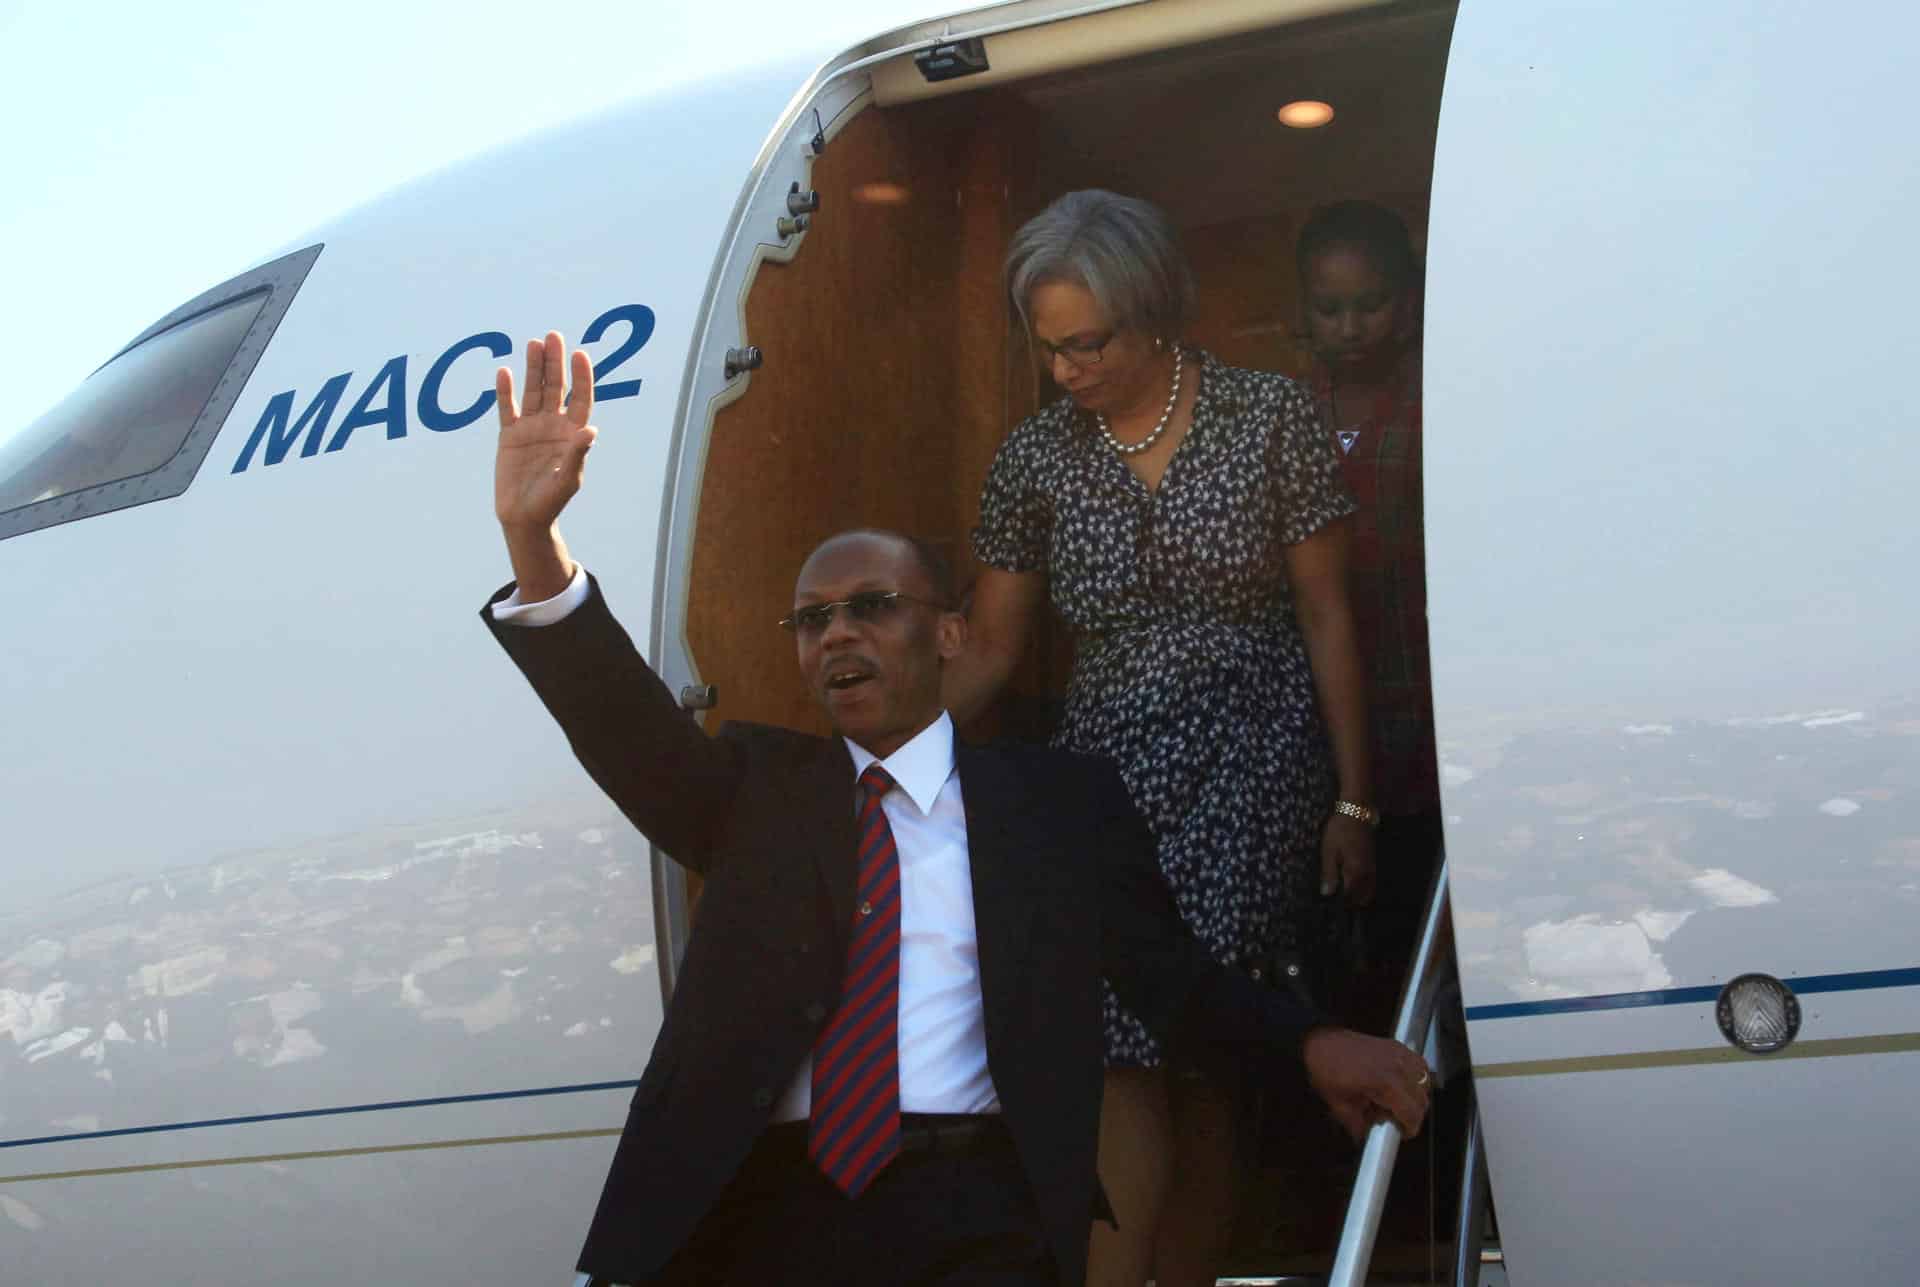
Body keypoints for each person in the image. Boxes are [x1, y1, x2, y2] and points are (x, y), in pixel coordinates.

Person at [483, 332, 1428, 1287]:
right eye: (812, 618)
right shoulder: (754, 794)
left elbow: (1174, 984)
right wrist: (535, 544)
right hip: (766, 1212)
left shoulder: (1058, 805)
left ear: (949, 632)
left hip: (977, 1205)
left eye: (871, 605)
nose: (837, 631)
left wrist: (1312, 1040)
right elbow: (624, 726)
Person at [946, 190, 1378, 1286]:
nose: (1066, 371)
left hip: (1254, 751)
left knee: (1201, 1051)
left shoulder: (1269, 414)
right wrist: (864, 773)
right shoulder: (1035, 459)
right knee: (1114, 1046)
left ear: (1155, 312)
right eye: (1048, 349)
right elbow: (991, 652)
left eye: (1086, 343)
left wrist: (1355, 799)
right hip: (1103, 780)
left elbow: (1329, 612)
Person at [1295, 200, 1441, 1021]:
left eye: (1372, 303)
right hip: (1316, 723)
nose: (1350, 326)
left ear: (1410, 300)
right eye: (1329, 308)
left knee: (1420, 942)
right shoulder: (1282, 412)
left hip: (1424, 707)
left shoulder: (1441, 394)